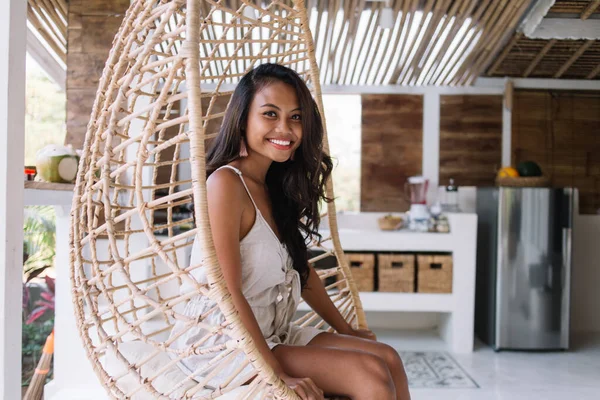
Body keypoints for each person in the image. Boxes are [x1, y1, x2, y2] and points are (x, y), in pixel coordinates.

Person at [169, 63, 410, 400]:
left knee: (387, 358)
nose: (285, 128)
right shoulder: (225, 184)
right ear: (242, 119)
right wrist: (275, 372)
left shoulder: (273, 187)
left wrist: (347, 331)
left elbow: (302, 271)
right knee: (368, 376)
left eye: (295, 117)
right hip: (222, 342)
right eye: (270, 114)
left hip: (273, 332)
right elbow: (227, 291)